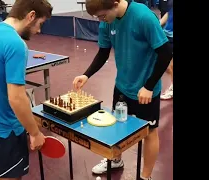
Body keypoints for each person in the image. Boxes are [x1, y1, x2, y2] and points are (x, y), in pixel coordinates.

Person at [72, 0, 173, 179]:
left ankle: (146, 176)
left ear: (116, 2)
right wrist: (86, 75)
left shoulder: (143, 17)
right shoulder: (107, 22)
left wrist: (149, 86)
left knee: (149, 132)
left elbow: (165, 53)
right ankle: (116, 159)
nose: (101, 20)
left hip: (145, 89)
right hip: (122, 85)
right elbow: (103, 51)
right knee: (117, 125)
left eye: (102, 15)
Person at [0, 0, 53, 179]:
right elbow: (16, 98)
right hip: (6, 131)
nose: (39, 31)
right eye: (40, 24)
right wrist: (35, 133)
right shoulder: (16, 44)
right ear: (31, 16)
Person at [160, 0, 173, 100]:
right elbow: (169, 12)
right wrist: (158, 24)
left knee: (171, 65)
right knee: (166, 65)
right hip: (167, 34)